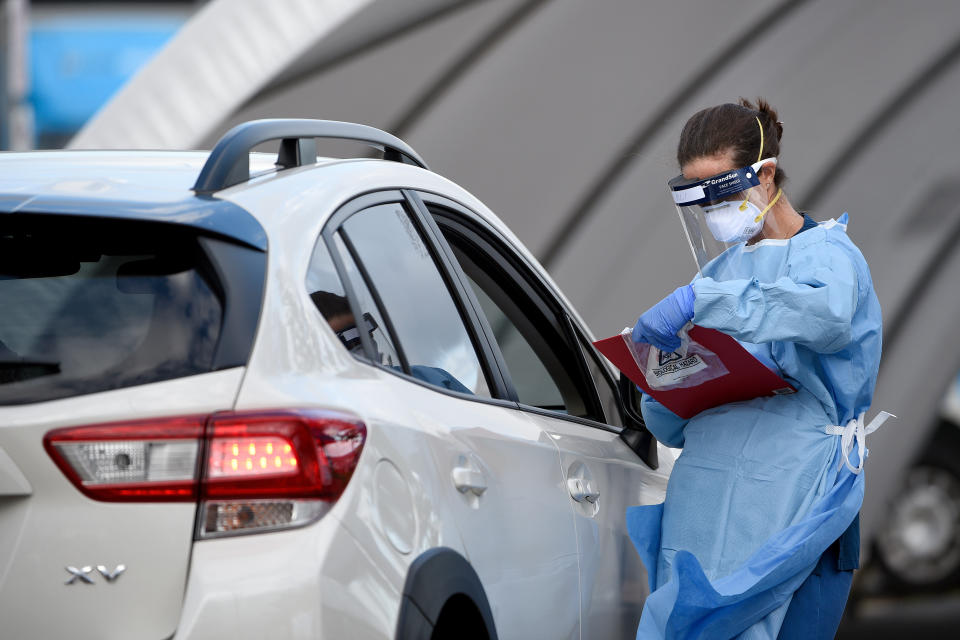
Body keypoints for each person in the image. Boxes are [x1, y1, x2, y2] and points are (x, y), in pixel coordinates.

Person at [626, 98, 891, 639]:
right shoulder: (722, 273)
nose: (712, 211)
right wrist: (657, 375)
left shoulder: (830, 258)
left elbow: (824, 315)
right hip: (704, 509)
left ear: (764, 175)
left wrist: (702, 304)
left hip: (800, 505)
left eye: (720, 190)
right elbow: (669, 422)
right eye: (699, 198)